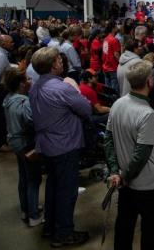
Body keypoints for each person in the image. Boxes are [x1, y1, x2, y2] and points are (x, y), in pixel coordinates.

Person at [29, 47, 92, 246]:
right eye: (58, 59)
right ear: (54, 64)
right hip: (65, 145)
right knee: (67, 191)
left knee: (53, 187)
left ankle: (51, 227)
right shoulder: (61, 88)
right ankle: (64, 233)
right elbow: (85, 108)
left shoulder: (35, 86)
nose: (62, 62)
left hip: (47, 145)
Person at [105, 60, 154, 250]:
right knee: (151, 233)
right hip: (148, 185)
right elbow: (142, 153)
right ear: (149, 81)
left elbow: (108, 141)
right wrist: (124, 176)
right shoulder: (147, 114)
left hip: (125, 180)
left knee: (124, 226)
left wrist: (115, 171)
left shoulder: (117, 104)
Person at [2, 67, 43, 227]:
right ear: (20, 84)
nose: (29, 81)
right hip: (26, 143)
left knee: (24, 177)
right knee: (33, 179)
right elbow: (31, 121)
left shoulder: (8, 99)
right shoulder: (23, 101)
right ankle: (33, 216)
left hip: (14, 142)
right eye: (26, 79)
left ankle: (26, 209)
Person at [102, 23, 121, 92]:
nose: (117, 28)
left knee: (108, 90)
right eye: (116, 26)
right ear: (113, 28)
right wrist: (121, 63)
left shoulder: (105, 39)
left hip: (105, 67)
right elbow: (116, 54)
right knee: (114, 91)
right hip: (113, 67)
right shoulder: (114, 40)